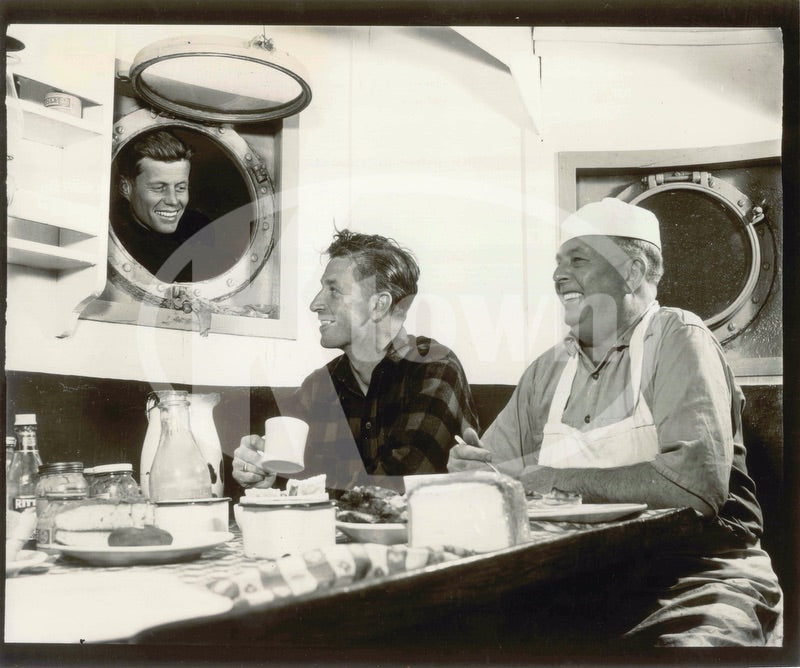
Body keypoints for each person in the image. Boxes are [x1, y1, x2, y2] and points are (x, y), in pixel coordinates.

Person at [448, 197, 782, 647]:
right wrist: (470, 473)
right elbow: (493, 478)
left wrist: (551, 479)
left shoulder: (680, 337)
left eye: (577, 260)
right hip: (574, 584)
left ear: (632, 271)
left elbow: (694, 488)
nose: (558, 275)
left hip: (696, 578)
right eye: (558, 262)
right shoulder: (546, 371)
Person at [233, 229, 479, 495]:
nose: (315, 304)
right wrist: (262, 473)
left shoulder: (435, 367)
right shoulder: (318, 386)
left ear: (378, 305)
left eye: (334, 290)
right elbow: (287, 477)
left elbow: (399, 485)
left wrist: (309, 492)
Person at [112, 130, 234, 283]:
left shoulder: (201, 229)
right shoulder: (110, 236)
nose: (173, 201)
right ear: (126, 188)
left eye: (180, 188)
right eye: (159, 188)